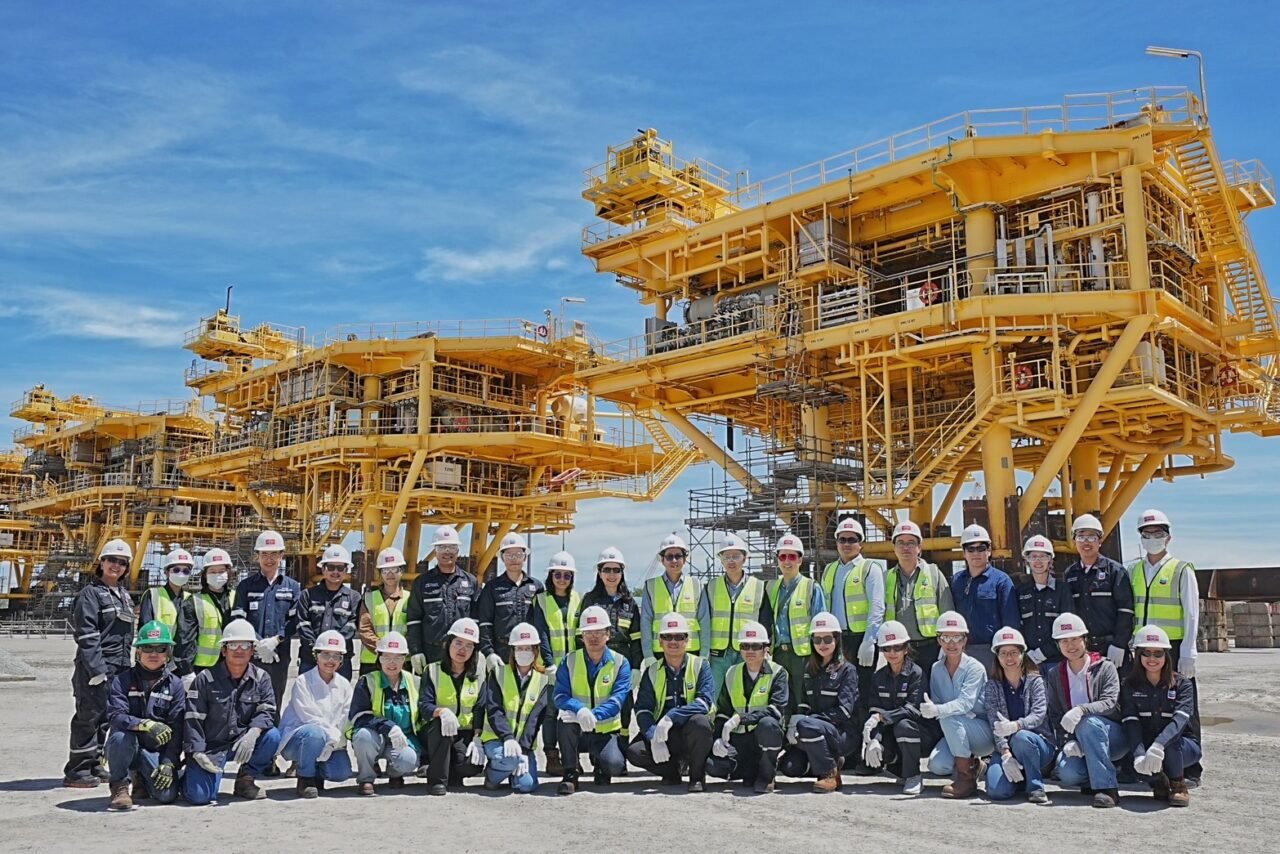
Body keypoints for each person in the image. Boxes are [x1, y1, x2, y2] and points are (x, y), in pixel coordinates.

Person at [1128, 508, 1202, 784]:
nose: (1152, 538)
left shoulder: (1181, 570)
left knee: (1184, 707)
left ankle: (1191, 768)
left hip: (1172, 647)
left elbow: (1192, 613)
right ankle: (1146, 762)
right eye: (1147, 534)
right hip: (1142, 647)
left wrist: (1189, 652)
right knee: (1145, 704)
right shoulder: (1133, 570)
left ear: (1168, 537)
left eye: (1157, 533)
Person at [183, 619, 284, 805]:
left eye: (245, 645)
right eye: (233, 645)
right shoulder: (205, 679)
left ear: (252, 650)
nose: (239, 650)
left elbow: (268, 711)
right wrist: (197, 752)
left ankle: (246, 779)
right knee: (200, 797)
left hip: (243, 742)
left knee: (272, 736)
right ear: (224, 650)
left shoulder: (261, 678)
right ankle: (188, 777)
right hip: (211, 747)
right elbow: (193, 719)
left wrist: (254, 733)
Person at [64, 538, 137, 788]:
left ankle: (95, 764)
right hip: (95, 667)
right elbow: (87, 634)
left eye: (122, 562)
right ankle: (77, 770)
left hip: (119, 666)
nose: (116, 566)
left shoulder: (123, 596)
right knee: (88, 717)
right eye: (112, 560)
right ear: (101, 563)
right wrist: (96, 669)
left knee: (105, 718)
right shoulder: (90, 594)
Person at [817, 517, 883, 769]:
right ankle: (849, 751)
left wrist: (870, 640)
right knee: (843, 699)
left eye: (852, 539)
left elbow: (877, 607)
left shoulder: (869, 569)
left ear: (861, 543)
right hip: (838, 641)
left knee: (863, 696)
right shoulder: (830, 570)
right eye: (842, 539)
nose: (847, 544)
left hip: (860, 639)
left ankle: (868, 754)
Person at [626, 613, 716, 792]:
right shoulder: (652, 671)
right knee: (635, 752)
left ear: (687, 640)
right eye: (667, 637)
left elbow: (705, 702)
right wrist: (653, 736)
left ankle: (697, 777)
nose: (673, 641)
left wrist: (671, 717)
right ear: (660, 641)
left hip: (691, 732)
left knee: (700, 723)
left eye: (679, 637)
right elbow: (643, 709)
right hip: (664, 734)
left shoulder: (701, 666)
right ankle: (672, 771)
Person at [1046, 612, 1128, 808]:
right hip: (1079, 740)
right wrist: (1068, 740)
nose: (1070, 646)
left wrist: (1081, 710)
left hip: (1111, 735)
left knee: (1088, 723)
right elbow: (1055, 714)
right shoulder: (1055, 674)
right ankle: (1093, 776)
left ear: (1085, 639)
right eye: (1064, 641)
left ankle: (1107, 788)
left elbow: (1110, 702)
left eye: (1075, 639)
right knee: (1068, 773)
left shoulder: (1105, 667)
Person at [103, 621, 185, 809]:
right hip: (127, 745)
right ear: (138, 652)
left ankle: (142, 778)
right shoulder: (122, 681)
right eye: (147, 648)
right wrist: (145, 724)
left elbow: (178, 728)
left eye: (160, 649)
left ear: (168, 653)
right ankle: (120, 786)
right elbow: (116, 716)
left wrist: (169, 763)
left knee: (166, 795)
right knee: (120, 737)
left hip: (153, 751)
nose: (153, 654)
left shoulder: (175, 685)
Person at [553, 605, 633, 794]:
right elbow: (559, 695)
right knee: (564, 721)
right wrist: (579, 710)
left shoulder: (621, 663)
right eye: (588, 633)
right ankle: (570, 772)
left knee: (614, 766)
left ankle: (600, 763)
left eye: (599, 632)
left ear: (608, 634)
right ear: (581, 636)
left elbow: (617, 701)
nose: (593, 637)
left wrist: (592, 715)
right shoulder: (569, 661)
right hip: (578, 730)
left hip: (605, 731)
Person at [778, 612, 858, 792]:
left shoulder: (847, 670)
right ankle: (831, 762)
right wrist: (795, 721)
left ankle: (829, 774)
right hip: (814, 730)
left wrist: (809, 720)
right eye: (817, 639)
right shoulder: (810, 668)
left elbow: (844, 711)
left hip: (842, 733)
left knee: (807, 725)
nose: (822, 644)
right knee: (790, 767)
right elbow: (805, 703)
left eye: (828, 639)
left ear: (837, 640)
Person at [706, 621, 788, 794]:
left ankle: (767, 776)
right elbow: (723, 710)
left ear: (765, 648)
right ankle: (750, 772)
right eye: (745, 646)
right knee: (713, 766)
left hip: (764, 737)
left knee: (768, 724)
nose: (750, 651)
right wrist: (718, 737)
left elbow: (776, 710)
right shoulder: (732, 673)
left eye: (755, 646)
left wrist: (740, 718)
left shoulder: (778, 673)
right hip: (740, 739)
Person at [1122, 624, 1199, 807]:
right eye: (1146, 653)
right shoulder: (1129, 685)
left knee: (1170, 747)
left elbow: (1179, 721)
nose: (1152, 659)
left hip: (1181, 746)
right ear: (1138, 655)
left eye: (1158, 654)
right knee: (1133, 756)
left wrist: (1159, 745)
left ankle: (1178, 784)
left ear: (1166, 656)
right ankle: (1158, 781)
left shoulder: (1182, 684)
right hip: (1147, 743)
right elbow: (1131, 722)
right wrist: (1139, 754)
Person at [923, 611, 994, 799]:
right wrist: (933, 708)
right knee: (938, 766)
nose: (951, 643)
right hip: (954, 730)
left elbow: (965, 704)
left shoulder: (975, 668)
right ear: (939, 640)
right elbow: (937, 701)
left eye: (957, 638)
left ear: (965, 640)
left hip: (981, 731)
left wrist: (937, 710)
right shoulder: (936, 669)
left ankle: (966, 779)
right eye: (946, 637)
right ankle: (975, 766)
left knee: (949, 715)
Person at [230, 529, 300, 713]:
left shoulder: (293, 587)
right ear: (257, 556)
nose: (269, 559)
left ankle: (272, 732)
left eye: (274, 554)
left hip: (279, 656)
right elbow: (238, 618)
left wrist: (276, 640)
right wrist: (258, 643)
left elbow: (294, 620)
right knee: (246, 703)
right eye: (265, 554)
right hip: (250, 655)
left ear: (282, 556)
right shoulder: (246, 586)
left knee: (273, 703)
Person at [982, 626, 1055, 804]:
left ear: (1022, 654)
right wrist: (1005, 753)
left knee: (1022, 737)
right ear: (997, 657)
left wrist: (1016, 726)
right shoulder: (992, 686)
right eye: (1003, 653)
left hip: (1037, 743)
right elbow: (994, 723)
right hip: (1008, 748)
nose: (1009, 658)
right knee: (997, 791)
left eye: (1014, 653)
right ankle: (1020, 778)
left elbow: (1039, 714)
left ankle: (1035, 787)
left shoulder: (1036, 681)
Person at [278, 630, 354, 798]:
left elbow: (344, 717)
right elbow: (308, 716)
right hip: (300, 741)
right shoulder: (303, 681)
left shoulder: (344, 685)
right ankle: (305, 778)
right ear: (316, 656)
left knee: (340, 773)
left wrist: (335, 742)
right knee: (314, 733)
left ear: (341, 660)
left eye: (336, 656)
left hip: (331, 741)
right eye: (325, 655)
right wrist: (331, 734)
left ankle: (316, 772)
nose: (330, 660)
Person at [863, 620, 934, 795]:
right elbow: (875, 711)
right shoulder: (878, 677)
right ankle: (899, 767)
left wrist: (882, 717)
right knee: (875, 750)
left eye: (897, 647)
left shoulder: (916, 673)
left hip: (920, 734)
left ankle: (913, 776)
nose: (892, 653)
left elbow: (912, 710)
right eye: (887, 648)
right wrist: (875, 739)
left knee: (904, 726)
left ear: (906, 648)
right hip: (892, 734)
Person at [529, 550, 583, 775]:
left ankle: (573, 755)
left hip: (574, 668)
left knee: (572, 712)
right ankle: (552, 756)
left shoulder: (578, 599)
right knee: (551, 713)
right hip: (551, 669)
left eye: (567, 575)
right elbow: (540, 632)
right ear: (550, 576)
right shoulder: (541, 600)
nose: (562, 579)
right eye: (557, 574)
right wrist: (549, 662)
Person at [418, 617, 487, 795]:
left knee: (471, 764)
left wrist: (477, 738)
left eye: (469, 646)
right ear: (448, 644)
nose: (462, 650)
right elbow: (424, 705)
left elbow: (480, 708)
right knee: (442, 727)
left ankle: (452, 773)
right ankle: (437, 781)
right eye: (458, 643)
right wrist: (441, 712)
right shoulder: (432, 671)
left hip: (464, 732)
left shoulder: (479, 676)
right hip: (436, 731)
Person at [481, 622, 551, 793]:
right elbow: (494, 710)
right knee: (509, 760)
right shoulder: (498, 674)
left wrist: (524, 750)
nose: (524, 652)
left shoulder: (543, 681)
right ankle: (492, 776)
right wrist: (508, 738)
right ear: (512, 651)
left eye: (528, 648)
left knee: (527, 785)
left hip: (522, 743)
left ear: (536, 651)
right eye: (519, 648)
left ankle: (512, 770)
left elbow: (535, 720)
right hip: (497, 739)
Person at [348, 631, 420, 796]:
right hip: (375, 737)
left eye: (397, 658)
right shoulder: (367, 681)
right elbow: (359, 716)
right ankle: (366, 778)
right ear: (379, 657)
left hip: (403, 738)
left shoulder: (415, 682)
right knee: (363, 737)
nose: (391, 663)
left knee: (409, 760)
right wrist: (389, 727)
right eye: (386, 657)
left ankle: (395, 774)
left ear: (405, 659)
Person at [882, 520, 953, 684]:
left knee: (930, 689)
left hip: (929, 647)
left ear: (919, 548)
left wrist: (946, 645)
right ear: (894, 548)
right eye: (901, 542)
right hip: (899, 648)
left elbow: (947, 611)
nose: (905, 547)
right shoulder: (886, 578)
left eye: (911, 543)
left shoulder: (934, 573)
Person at [702, 534, 772, 693]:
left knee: (743, 694)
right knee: (714, 696)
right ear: (721, 560)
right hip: (718, 655)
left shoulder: (759, 587)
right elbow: (704, 620)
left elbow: (765, 621)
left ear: (744, 559)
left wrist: (765, 647)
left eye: (736, 556)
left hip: (747, 653)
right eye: (727, 557)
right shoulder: (711, 587)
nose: (731, 561)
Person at [1063, 513, 1133, 670]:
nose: (1086, 542)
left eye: (1091, 537)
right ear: (1074, 541)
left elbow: (1126, 610)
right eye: (1081, 537)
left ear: (1100, 541)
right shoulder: (1070, 574)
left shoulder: (1115, 571)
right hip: (1083, 650)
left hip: (1111, 647)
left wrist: (1119, 644)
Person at [765, 533, 827, 713]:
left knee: (804, 700)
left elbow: (821, 625)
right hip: (779, 654)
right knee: (781, 701)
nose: (787, 561)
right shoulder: (771, 588)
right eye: (782, 556)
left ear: (800, 560)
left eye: (792, 556)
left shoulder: (811, 587)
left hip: (803, 655)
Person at [407, 525, 477, 675]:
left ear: (458, 551)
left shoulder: (471, 582)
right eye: (442, 547)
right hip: (432, 652)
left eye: (451, 547)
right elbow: (414, 619)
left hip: (463, 654)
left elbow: (477, 619)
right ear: (435, 551)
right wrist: (416, 651)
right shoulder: (422, 582)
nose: (447, 552)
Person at [581, 546, 643, 712]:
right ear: (599, 573)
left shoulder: (629, 603)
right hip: (596, 659)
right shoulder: (590, 600)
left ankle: (622, 731)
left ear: (622, 573)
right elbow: (581, 636)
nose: (612, 574)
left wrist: (636, 667)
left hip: (623, 660)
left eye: (616, 570)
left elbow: (636, 638)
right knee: (598, 703)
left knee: (624, 707)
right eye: (607, 570)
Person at [949, 524, 1020, 669]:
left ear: (989, 551)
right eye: (971, 549)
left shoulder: (1001, 581)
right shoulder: (956, 581)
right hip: (961, 649)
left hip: (991, 651)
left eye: (981, 548)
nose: (976, 553)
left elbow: (1011, 621)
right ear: (964, 553)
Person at [475, 532, 544, 674]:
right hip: (502, 652)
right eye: (509, 555)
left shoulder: (536, 587)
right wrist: (489, 653)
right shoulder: (492, 588)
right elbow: (485, 623)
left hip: (529, 651)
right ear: (502, 558)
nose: (514, 559)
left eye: (518, 555)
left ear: (525, 557)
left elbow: (542, 623)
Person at [641, 533, 709, 662]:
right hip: (660, 651)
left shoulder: (696, 585)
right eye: (669, 557)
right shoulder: (651, 586)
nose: (674, 560)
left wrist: (704, 654)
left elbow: (704, 621)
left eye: (678, 556)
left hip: (691, 650)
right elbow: (646, 622)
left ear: (685, 559)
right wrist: (648, 655)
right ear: (662, 560)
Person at [296, 544, 360, 680]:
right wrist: (319, 650)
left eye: (340, 568)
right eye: (331, 567)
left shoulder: (354, 598)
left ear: (346, 570)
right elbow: (302, 624)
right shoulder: (307, 595)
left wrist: (333, 649)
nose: (335, 572)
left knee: (340, 694)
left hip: (341, 662)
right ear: (323, 569)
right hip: (310, 660)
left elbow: (352, 626)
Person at [175, 547, 236, 683]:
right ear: (205, 575)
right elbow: (185, 638)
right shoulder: (194, 601)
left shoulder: (237, 597)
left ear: (228, 572)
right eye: (212, 571)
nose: (217, 575)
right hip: (204, 667)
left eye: (221, 571)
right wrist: (187, 671)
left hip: (234, 666)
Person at [1017, 535, 1070, 669]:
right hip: (1029, 661)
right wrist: (1027, 653)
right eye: (1033, 557)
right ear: (1027, 561)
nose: (1038, 561)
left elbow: (1068, 627)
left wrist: (1043, 652)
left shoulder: (1062, 590)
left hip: (1057, 661)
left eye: (1043, 557)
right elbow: (1017, 625)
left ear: (1050, 561)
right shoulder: (1020, 592)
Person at [357, 547, 411, 674]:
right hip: (372, 660)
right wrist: (383, 648)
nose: (390, 574)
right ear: (380, 573)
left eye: (394, 569)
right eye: (386, 570)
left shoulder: (410, 598)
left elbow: (414, 629)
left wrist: (398, 650)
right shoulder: (369, 598)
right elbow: (365, 629)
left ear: (401, 571)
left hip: (401, 660)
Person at [138, 546, 193, 634]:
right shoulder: (152, 595)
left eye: (185, 571)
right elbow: (145, 626)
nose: (181, 574)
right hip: (158, 642)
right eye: (176, 570)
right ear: (166, 572)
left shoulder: (190, 598)